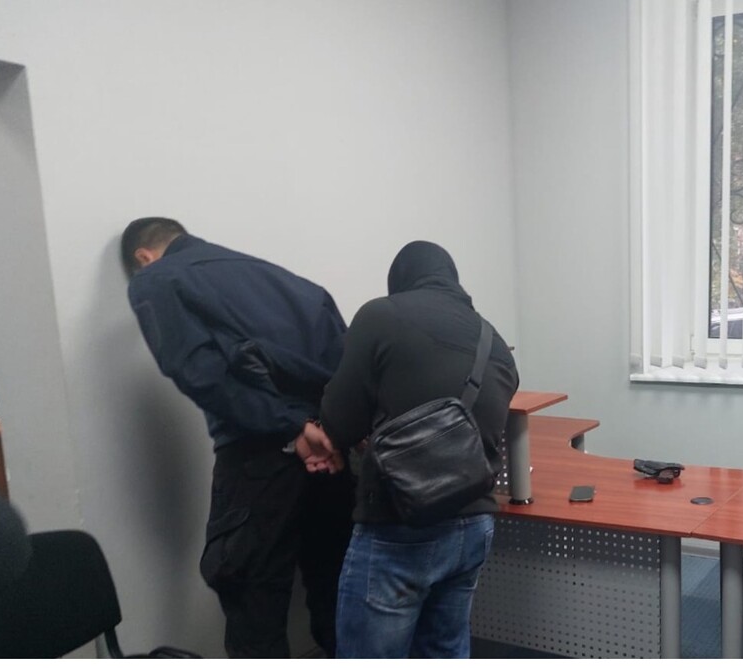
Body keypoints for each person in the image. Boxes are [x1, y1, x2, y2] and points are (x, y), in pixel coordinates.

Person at [121, 218, 355, 658]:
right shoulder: (289, 281)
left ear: (143, 257)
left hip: (258, 460)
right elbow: (345, 361)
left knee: (254, 607)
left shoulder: (156, 278)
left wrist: (291, 425)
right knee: (336, 591)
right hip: (331, 457)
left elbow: (199, 372)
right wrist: (330, 431)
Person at [310, 240, 519, 658]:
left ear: (400, 281)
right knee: (445, 652)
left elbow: (339, 420)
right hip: (474, 524)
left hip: (399, 526)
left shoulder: (380, 315)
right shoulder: (494, 341)